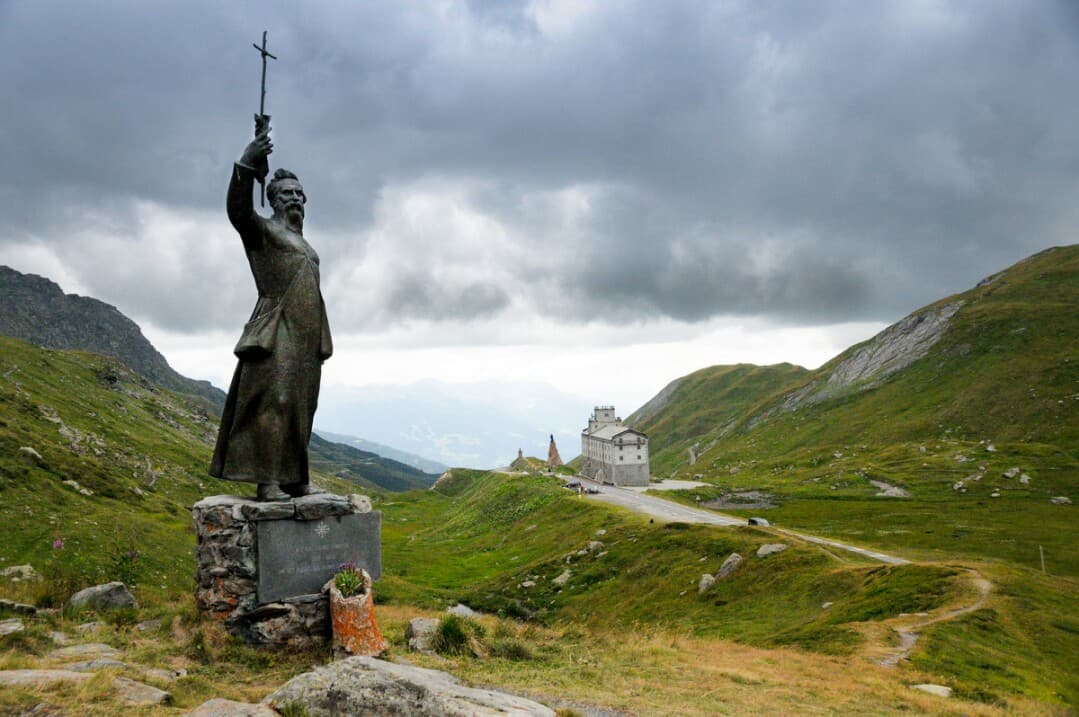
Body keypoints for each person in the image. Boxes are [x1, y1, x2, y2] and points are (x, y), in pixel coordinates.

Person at [209, 125, 333, 501]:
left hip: (308, 337)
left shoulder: (305, 244)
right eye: (286, 194)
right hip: (277, 332)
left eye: (299, 193)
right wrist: (248, 162)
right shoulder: (262, 232)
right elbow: (238, 209)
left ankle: (295, 478)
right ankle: (268, 481)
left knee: (301, 407)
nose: (295, 198)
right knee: (274, 404)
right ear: (273, 200)